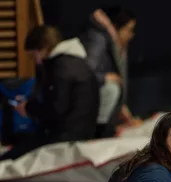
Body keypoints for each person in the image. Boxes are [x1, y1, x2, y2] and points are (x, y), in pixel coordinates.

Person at [0, 26, 99, 161]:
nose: (36, 61)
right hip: (83, 136)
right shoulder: (80, 63)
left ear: (44, 48)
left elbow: (55, 111)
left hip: (64, 140)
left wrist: (28, 108)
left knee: (8, 158)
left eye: (34, 55)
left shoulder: (60, 67)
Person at [80, 6, 141, 138]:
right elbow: (85, 72)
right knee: (111, 88)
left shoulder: (115, 46)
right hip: (88, 117)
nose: (131, 35)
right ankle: (97, 134)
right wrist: (105, 77)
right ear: (115, 26)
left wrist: (121, 108)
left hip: (97, 115)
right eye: (129, 30)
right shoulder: (97, 39)